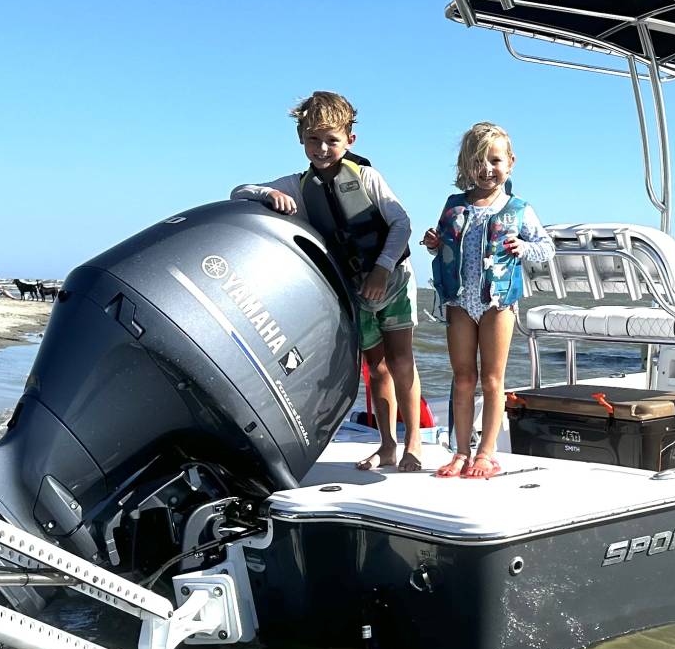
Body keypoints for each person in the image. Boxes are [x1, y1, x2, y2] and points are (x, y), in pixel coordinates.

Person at [232, 90, 426, 473]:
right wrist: (268, 193)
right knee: (377, 368)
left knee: (401, 361)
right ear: (301, 139)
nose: (322, 148)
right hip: (355, 290)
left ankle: (414, 444)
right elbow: (239, 192)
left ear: (350, 140)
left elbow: (401, 223)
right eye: (313, 140)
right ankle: (387, 445)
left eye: (331, 140)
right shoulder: (297, 184)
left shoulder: (367, 177)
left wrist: (382, 268)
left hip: (393, 280)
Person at [423, 122, 553, 480]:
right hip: (461, 301)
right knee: (463, 378)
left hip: (498, 302)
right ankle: (461, 451)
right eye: (478, 161)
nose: (487, 168)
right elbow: (447, 241)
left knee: (493, 379)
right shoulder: (453, 205)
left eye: (495, 160)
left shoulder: (519, 208)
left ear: (510, 163)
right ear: (466, 166)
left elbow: (546, 248)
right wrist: (435, 242)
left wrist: (524, 247)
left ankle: (487, 451)